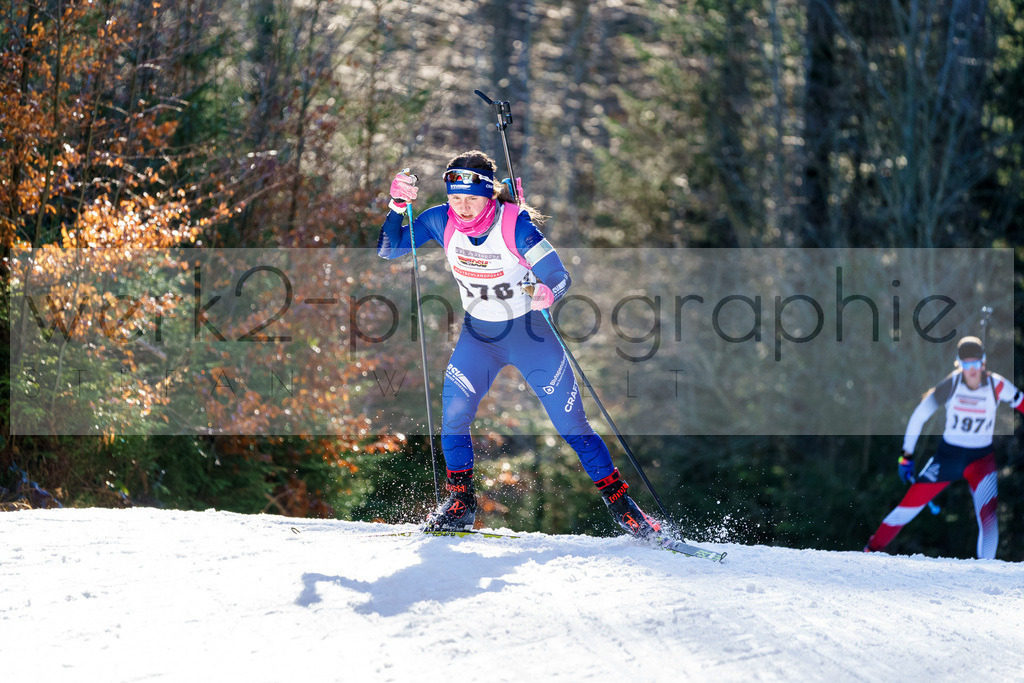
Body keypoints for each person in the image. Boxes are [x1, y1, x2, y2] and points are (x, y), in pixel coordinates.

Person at [377, 150, 661, 539]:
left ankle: (625, 509)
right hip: (479, 337)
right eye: (455, 198)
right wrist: (397, 207)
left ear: (489, 196)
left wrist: (547, 291)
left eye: (471, 199)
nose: (462, 207)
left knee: (571, 424)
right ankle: (460, 503)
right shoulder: (438, 218)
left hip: (530, 335)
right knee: (454, 415)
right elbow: (389, 248)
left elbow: (559, 275)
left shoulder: (515, 224)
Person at [864, 335, 1023, 559]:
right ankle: (870, 551)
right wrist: (906, 456)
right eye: (966, 365)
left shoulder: (997, 385)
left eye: (976, 363)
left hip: (980, 461)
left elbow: (1021, 402)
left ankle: (986, 571)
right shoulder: (951, 385)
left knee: (989, 517)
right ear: (959, 365)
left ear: (983, 363)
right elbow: (919, 416)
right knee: (908, 506)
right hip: (948, 458)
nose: (972, 370)